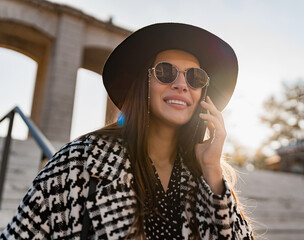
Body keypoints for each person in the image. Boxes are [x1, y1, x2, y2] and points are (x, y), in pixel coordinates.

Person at [1, 23, 253, 239]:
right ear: (144, 83)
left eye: (195, 77)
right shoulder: (79, 161)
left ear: (202, 94)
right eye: (166, 72)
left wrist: (213, 171)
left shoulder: (206, 175)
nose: (180, 85)